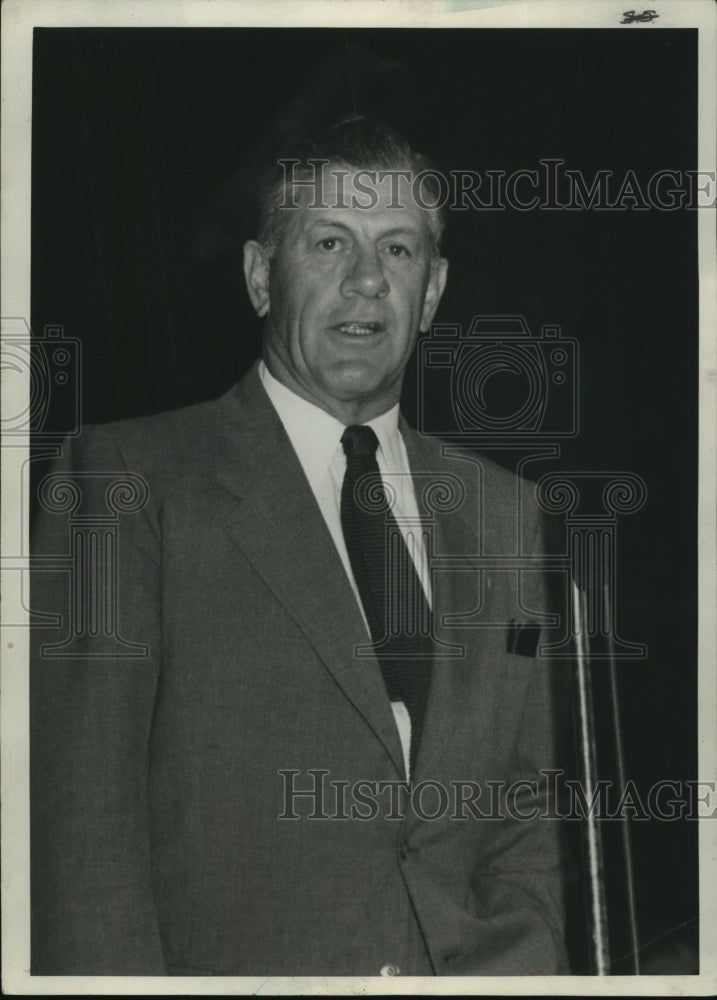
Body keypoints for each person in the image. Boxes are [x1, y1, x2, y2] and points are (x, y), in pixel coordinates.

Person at [31, 117, 573, 977]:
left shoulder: (505, 515)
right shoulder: (128, 478)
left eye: (397, 251)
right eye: (329, 242)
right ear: (259, 276)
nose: (365, 282)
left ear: (431, 292)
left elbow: (525, 823)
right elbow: (81, 836)